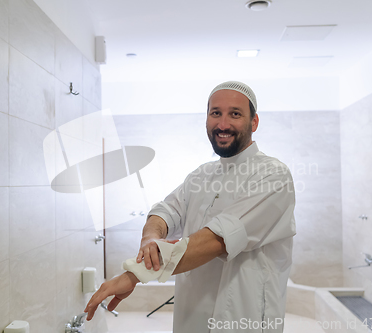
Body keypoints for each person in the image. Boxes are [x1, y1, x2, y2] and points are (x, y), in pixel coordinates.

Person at [85, 81, 296, 332]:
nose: (223, 124)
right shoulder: (201, 175)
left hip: (243, 319)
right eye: (215, 113)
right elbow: (164, 212)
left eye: (235, 114)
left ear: (254, 122)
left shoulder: (273, 175)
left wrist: (134, 274)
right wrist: (150, 240)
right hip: (191, 318)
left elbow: (216, 240)